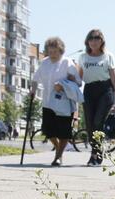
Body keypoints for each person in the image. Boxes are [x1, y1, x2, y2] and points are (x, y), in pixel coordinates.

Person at [31, 37, 82, 166]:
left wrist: (65, 84)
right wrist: (33, 89)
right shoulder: (45, 62)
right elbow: (35, 78)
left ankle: (58, 156)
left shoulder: (67, 62)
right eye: (50, 51)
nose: (52, 54)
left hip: (63, 103)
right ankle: (59, 148)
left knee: (64, 131)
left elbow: (78, 82)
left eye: (55, 52)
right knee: (48, 130)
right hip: (47, 102)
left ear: (61, 51)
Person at [78, 29, 115, 166]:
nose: (93, 41)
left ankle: (96, 154)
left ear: (101, 40)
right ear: (87, 41)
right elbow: (78, 77)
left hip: (105, 90)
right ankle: (95, 152)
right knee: (90, 123)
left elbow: (114, 79)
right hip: (89, 90)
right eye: (91, 38)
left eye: (97, 38)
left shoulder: (108, 56)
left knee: (98, 121)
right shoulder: (83, 57)